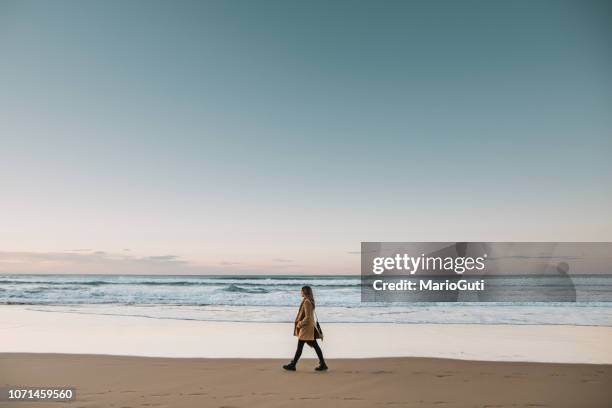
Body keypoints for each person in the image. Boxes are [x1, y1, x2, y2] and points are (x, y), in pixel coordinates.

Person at [282, 286, 328, 371]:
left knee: (300, 346)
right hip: (309, 327)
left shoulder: (306, 302)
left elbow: (307, 317)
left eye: (302, 291)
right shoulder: (309, 301)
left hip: (306, 328)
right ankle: (323, 364)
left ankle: (293, 364)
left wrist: (299, 324)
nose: (301, 292)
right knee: (314, 345)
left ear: (305, 292)